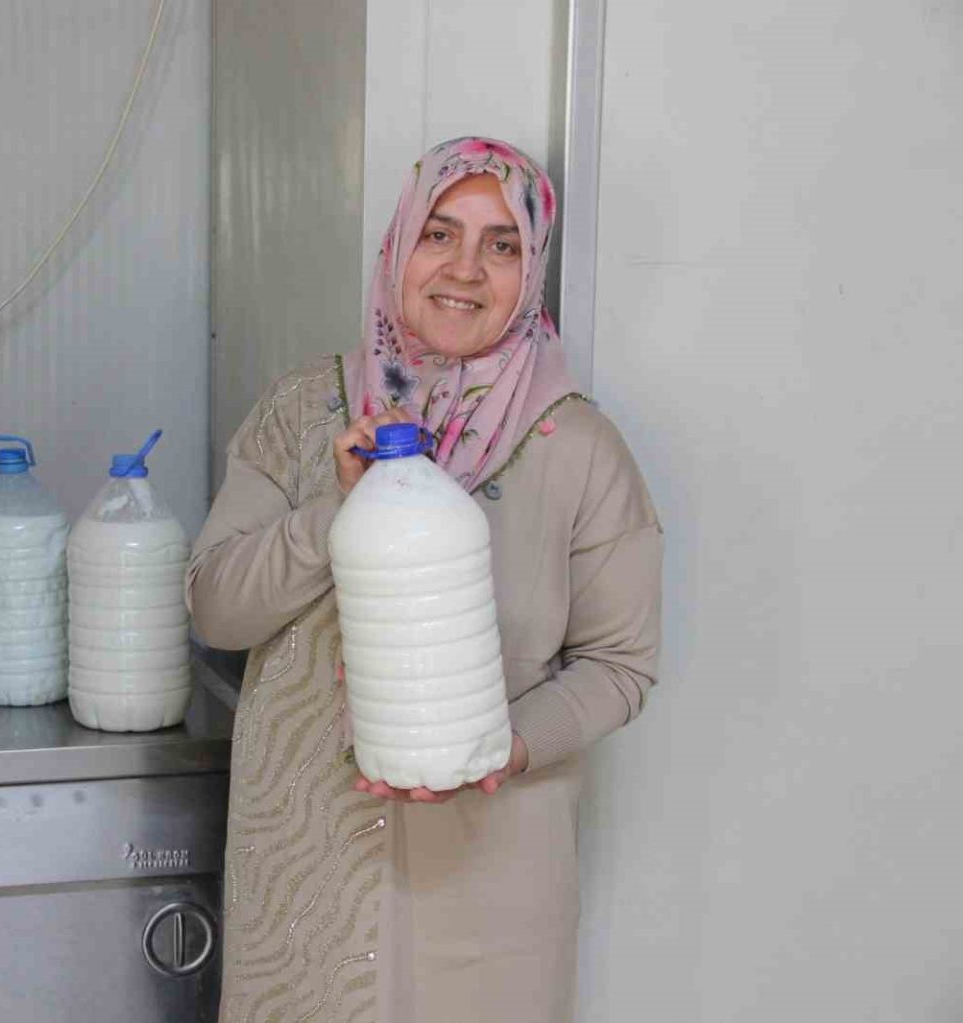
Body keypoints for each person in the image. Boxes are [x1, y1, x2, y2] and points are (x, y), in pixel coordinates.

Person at [186, 137, 662, 1022]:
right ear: (399, 244)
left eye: (502, 245)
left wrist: (503, 746)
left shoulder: (579, 447)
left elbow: (620, 664)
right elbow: (216, 608)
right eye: (440, 234)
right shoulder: (302, 411)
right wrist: (340, 509)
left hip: (487, 892)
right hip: (308, 874)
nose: (465, 269)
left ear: (532, 271)